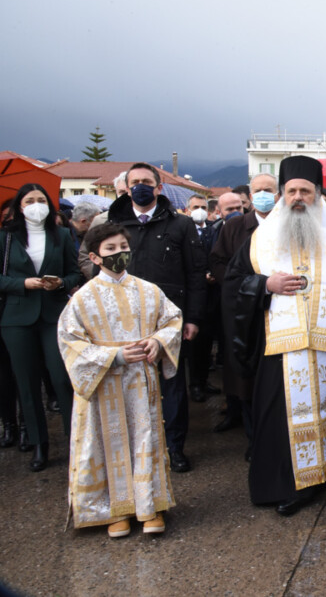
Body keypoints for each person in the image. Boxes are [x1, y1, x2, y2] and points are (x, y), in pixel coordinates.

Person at [226, 156, 326, 516]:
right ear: (282, 195)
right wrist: (265, 284)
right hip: (281, 345)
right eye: (291, 191)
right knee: (283, 415)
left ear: (318, 194)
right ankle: (289, 484)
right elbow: (233, 283)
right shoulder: (260, 240)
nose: (298, 197)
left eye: (306, 190)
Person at [57, 223, 183, 538]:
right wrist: (113, 357)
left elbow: (172, 320)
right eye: (110, 250)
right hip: (103, 384)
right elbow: (70, 343)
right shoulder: (82, 299)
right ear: (95, 257)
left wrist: (158, 341)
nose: (119, 254)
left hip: (141, 381)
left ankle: (149, 505)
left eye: (123, 247)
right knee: (105, 443)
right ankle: (116, 509)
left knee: (145, 437)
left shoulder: (148, 289)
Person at [107, 162, 206, 474]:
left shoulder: (181, 225)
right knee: (131, 386)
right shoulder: (116, 224)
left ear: (158, 187)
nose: (140, 186)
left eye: (146, 181)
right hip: (125, 319)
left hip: (169, 319)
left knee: (173, 385)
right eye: (134, 181)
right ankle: (139, 447)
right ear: (126, 186)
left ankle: (174, 447)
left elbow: (195, 275)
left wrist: (193, 318)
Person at [0, 184, 83, 471]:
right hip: (17, 318)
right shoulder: (6, 238)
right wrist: (22, 284)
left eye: (41, 200)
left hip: (53, 315)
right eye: (30, 200)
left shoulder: (61, 235)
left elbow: (75, 273)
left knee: (61, 378)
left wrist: (61, 282)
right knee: (27, 381)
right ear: (19, 207)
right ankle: (39, 443)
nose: (36, 205)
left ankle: (76, 439)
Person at [210, 174, 279, 440]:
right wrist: (246, 285)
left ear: (277, 195)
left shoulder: (289, 224)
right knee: (246, 380)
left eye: (268, 190)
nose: (263, 194)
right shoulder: (235, 227)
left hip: (280, 311)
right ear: (249, 197)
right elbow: (218, 262)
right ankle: (254, 438)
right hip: (245, 311)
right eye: (258, 190)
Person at [183, 194, 221, 404]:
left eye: (203, 207)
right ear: (187, 210)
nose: (200, 210)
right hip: (192, 297)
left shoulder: (212, 230)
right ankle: (195, 384)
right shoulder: (184, 231)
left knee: (206, 343)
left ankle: (204, 380)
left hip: (211, 297)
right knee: (194, 346)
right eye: (195, 206)